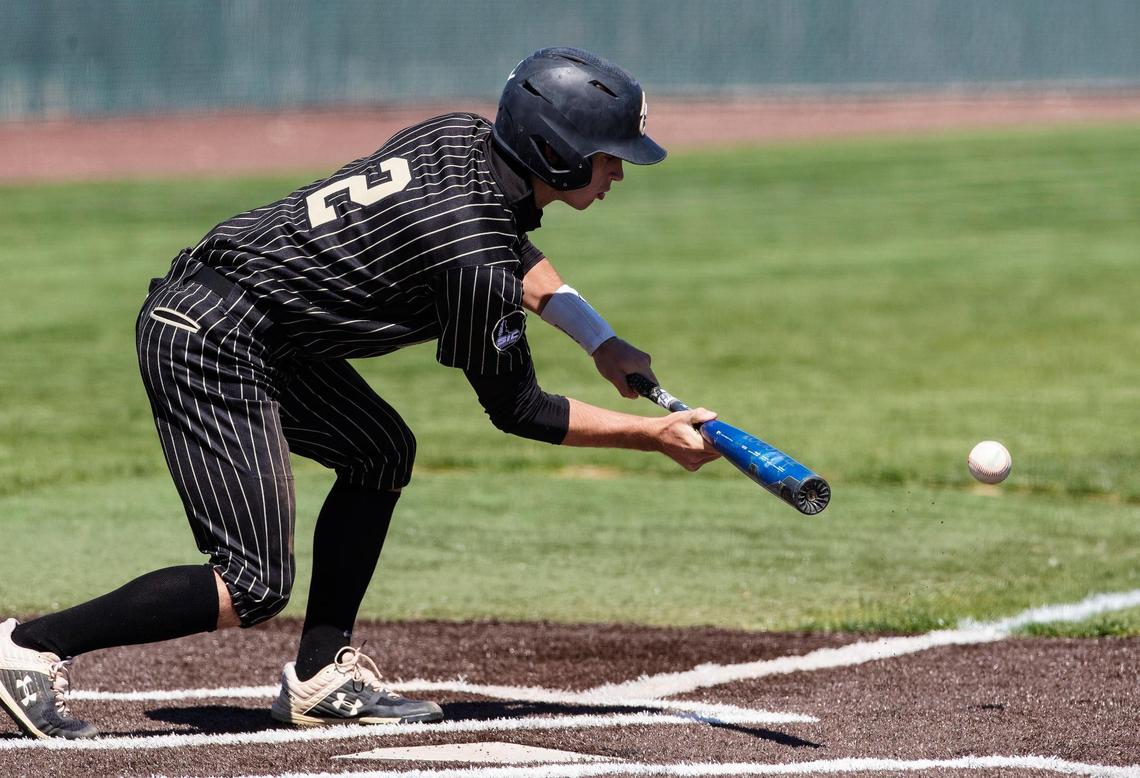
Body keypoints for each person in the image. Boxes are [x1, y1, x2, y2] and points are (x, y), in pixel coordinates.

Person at [0, 47, 719, 740]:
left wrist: (599, 339)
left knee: (379, 450)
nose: (619, 173)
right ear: (557, 154)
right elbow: (518, 409)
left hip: (256, 324)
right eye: (610, 155)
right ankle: (29, 647)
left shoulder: (462, 139)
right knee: (250, 584)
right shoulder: (471, 261)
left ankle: (320, 678)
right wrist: (654, 435)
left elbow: (510, 246)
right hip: (211, 338)